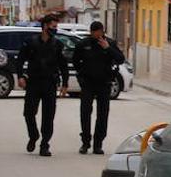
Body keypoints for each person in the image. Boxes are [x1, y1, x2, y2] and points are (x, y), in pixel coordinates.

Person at [15, 14, 69, 156]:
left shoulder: (58, 45)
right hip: (33, 82)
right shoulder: (31, 42)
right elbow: (20, 60)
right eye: (53, 26)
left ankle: (45, 144)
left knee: (48, 115)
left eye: (56, 27)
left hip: (50, 84)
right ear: (45, 26)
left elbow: (63, 65)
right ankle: (33, 136)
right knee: (28, 113)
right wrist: (20, 76)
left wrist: (65, 84)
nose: (55, 30)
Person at [73, 20, 125, 154]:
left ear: (103, 31)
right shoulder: (83, 44)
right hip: (88, 83)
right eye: (94, 32)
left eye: (99, 32)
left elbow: (120, 59)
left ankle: (98, 143)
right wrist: (81, 77)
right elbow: (75, 61)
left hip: (104, 83)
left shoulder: (110, 43)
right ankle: (85, 142)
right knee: (85, 113)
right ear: (91, 32)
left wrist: (107, 48)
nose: (97, 35)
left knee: (102, 114)